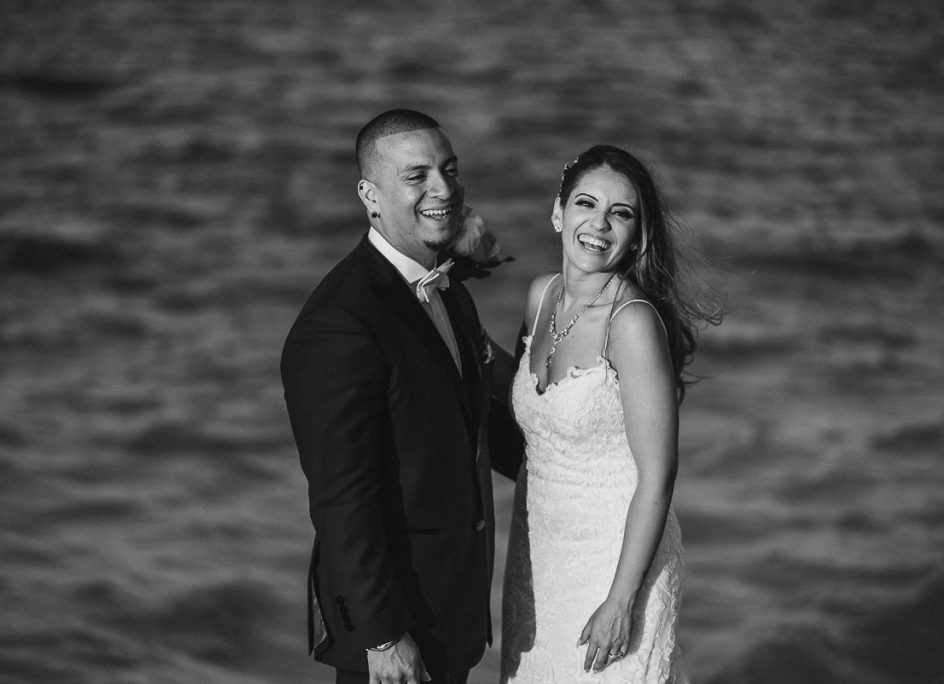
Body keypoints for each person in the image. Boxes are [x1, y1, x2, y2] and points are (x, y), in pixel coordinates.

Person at [281, 109, 521, 684]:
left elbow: (476, 435)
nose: (443, 188)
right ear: (370, 195)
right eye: (417, 176)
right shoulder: (340, 323)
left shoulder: (449, 294)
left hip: (452, 617)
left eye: (449, 169)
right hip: (394, 640)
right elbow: (342, 502)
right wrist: (383, 636)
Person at [500, 145, 720, 683]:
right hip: (540, 559)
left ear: (637, 237)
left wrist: (621, 602)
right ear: (558, 212)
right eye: (585, 204)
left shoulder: (633, 323)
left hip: (616, 561)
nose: (598, 224)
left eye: (620, 213)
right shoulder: (540, 296)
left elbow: (658, 474)